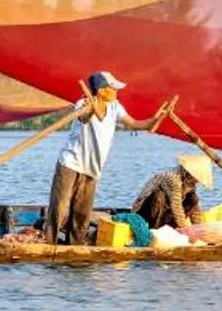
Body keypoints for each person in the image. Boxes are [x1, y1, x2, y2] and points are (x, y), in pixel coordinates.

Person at [42, 71, 173, 244]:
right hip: (71, 164)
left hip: (93, 168)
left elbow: (134, 123)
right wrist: (90, 109)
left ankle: (75, 248)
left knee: (82, 214)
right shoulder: (83, 103)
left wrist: (155, 120)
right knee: (59, 207)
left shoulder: (115, 106)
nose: (116, 91)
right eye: (112, 88)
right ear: (102, 90)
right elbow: (84, 117)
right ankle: (49, 244)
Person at [132, 152, 213, 232]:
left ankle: (168, 227)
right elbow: (176, 205)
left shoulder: (189, 182)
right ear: (190, 173)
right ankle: (154, 229)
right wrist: (185, 229)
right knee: (159, 196)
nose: (197, 181)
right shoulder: (173, 179)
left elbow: (195, 208)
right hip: (144, 212)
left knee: (193, 198)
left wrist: (199, 229)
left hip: (165, 210)